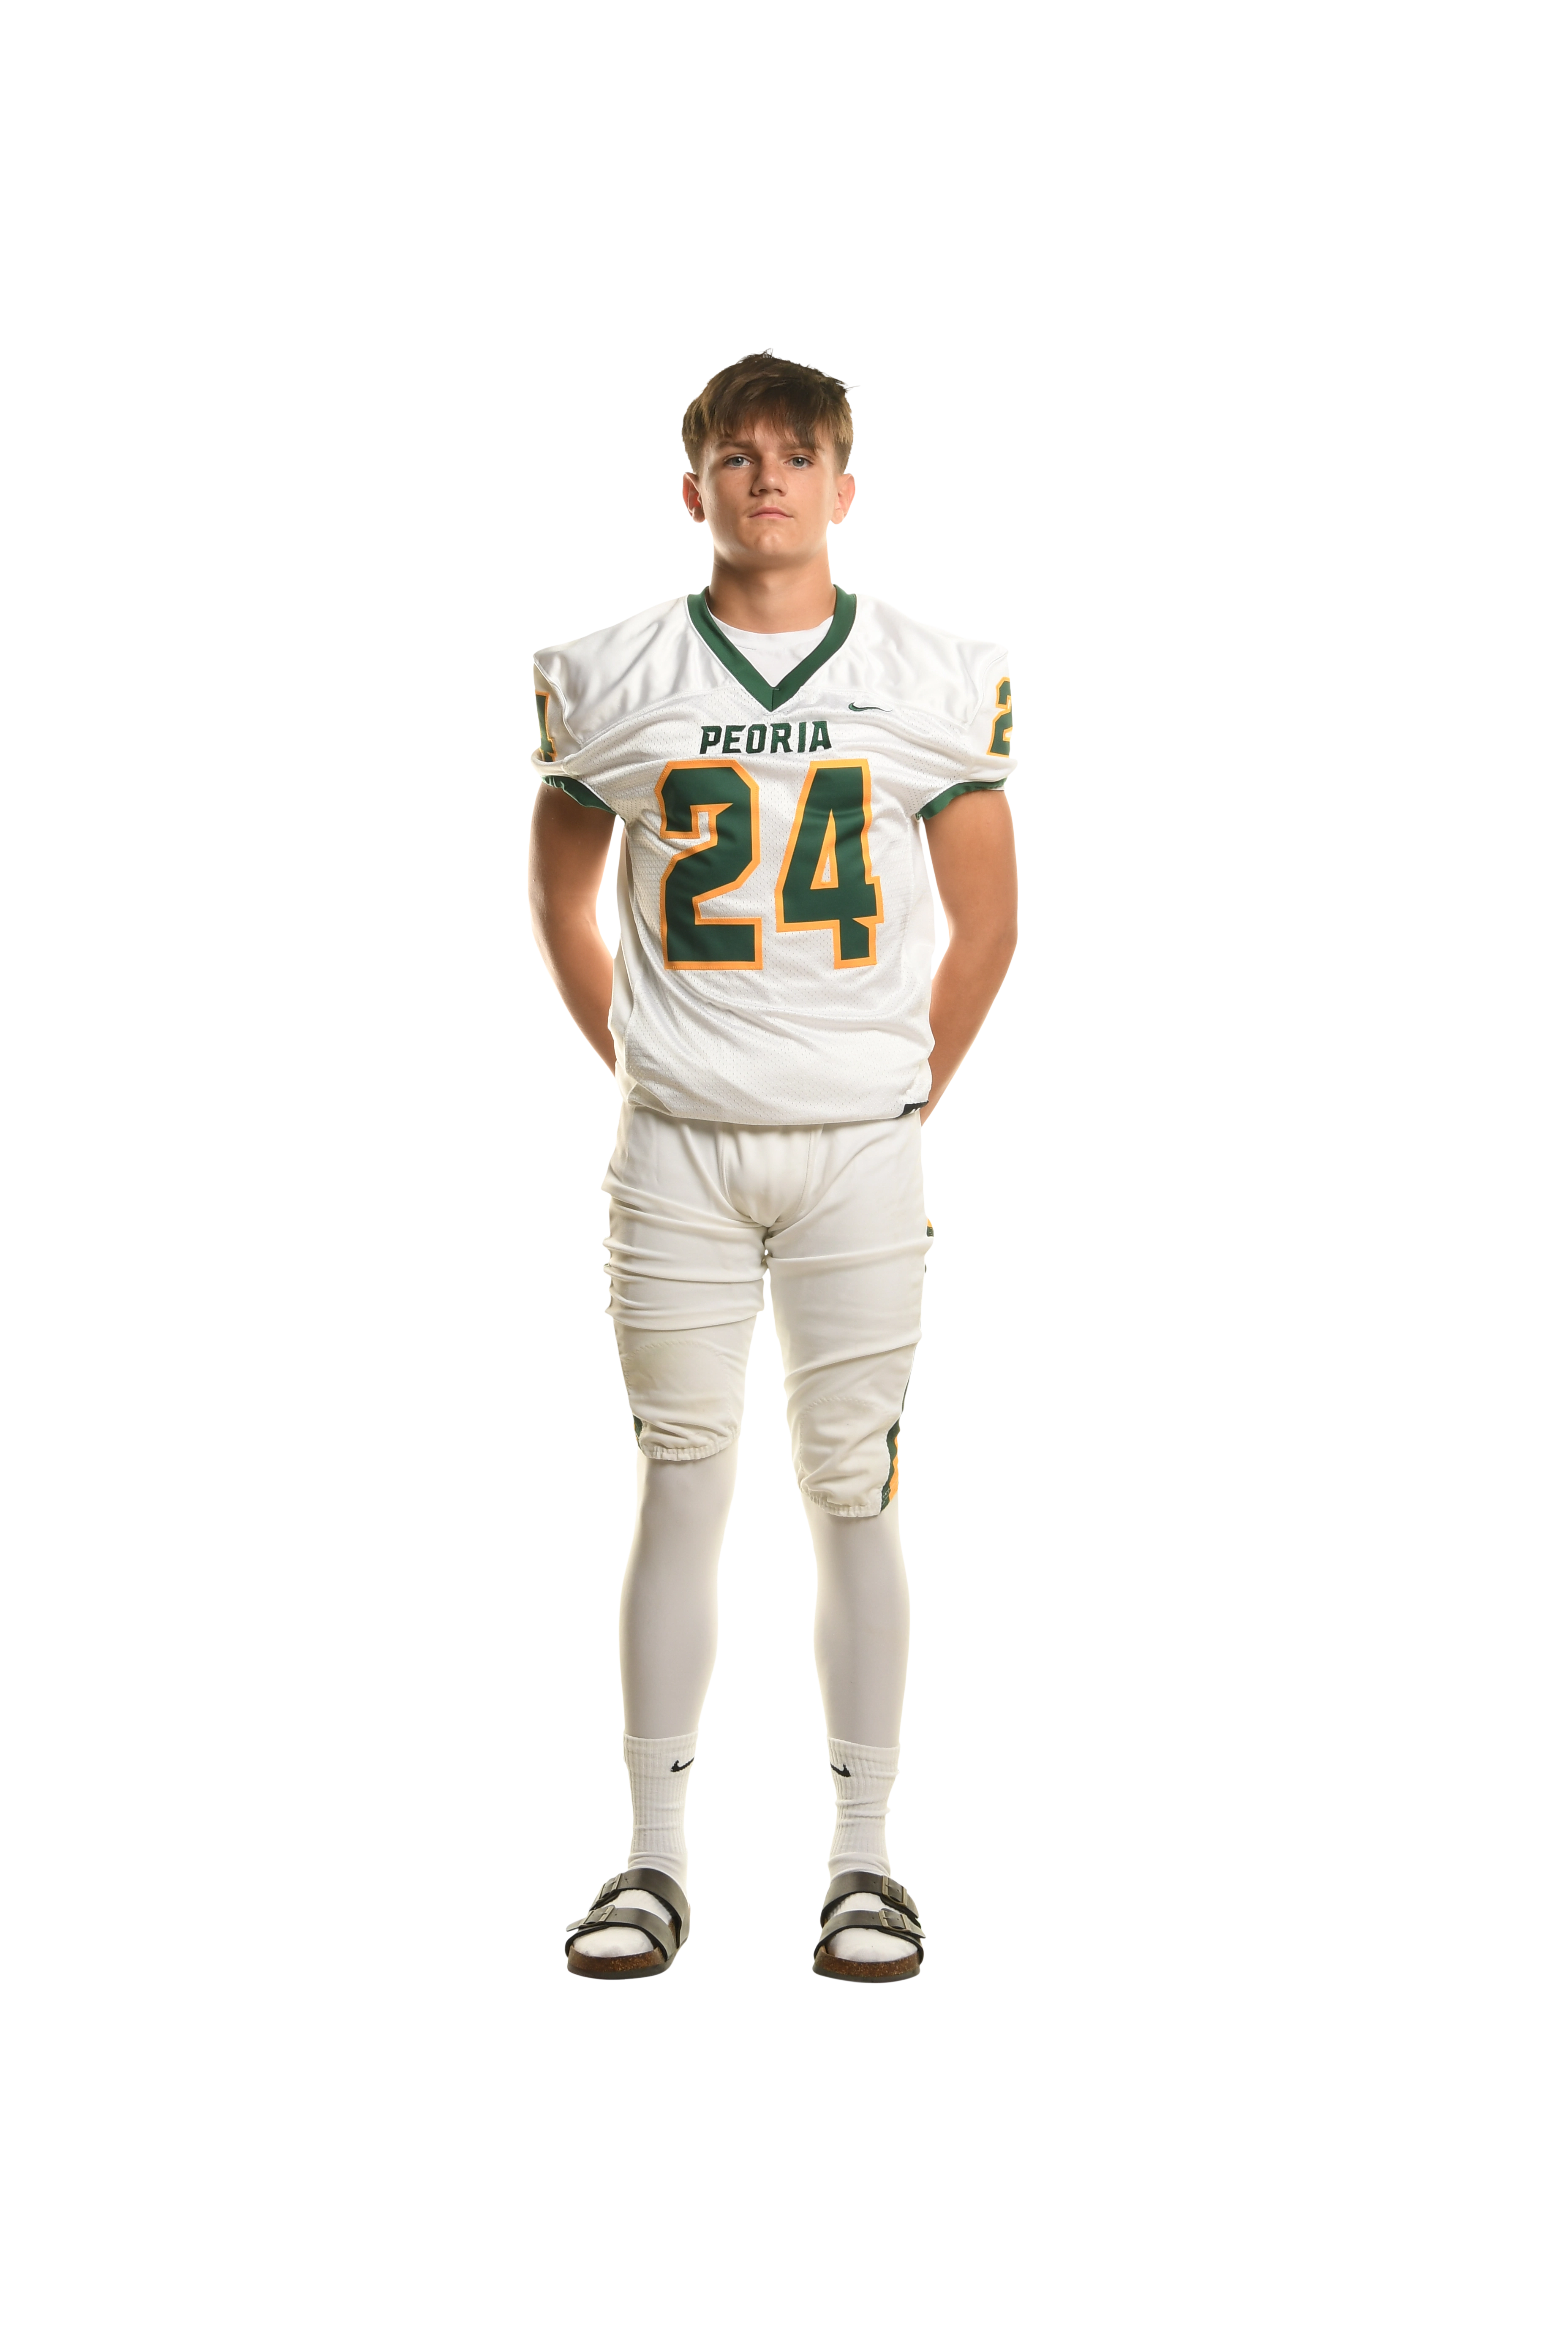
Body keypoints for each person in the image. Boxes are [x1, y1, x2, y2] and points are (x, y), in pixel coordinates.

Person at [531, 348, 1018, 1982]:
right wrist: (647, 1063)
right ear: (694, 485)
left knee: (853, 1489)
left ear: (844, 483)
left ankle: (866, 1865)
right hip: (677, 1149)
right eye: (737, 454)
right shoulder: (616, 671)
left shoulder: (929, 673)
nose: (768, 479)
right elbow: (560, 894)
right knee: (682, 1477)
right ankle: (653, 1864)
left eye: (798, 454)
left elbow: (989, 921)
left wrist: (900, 1095)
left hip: (859, 1151)